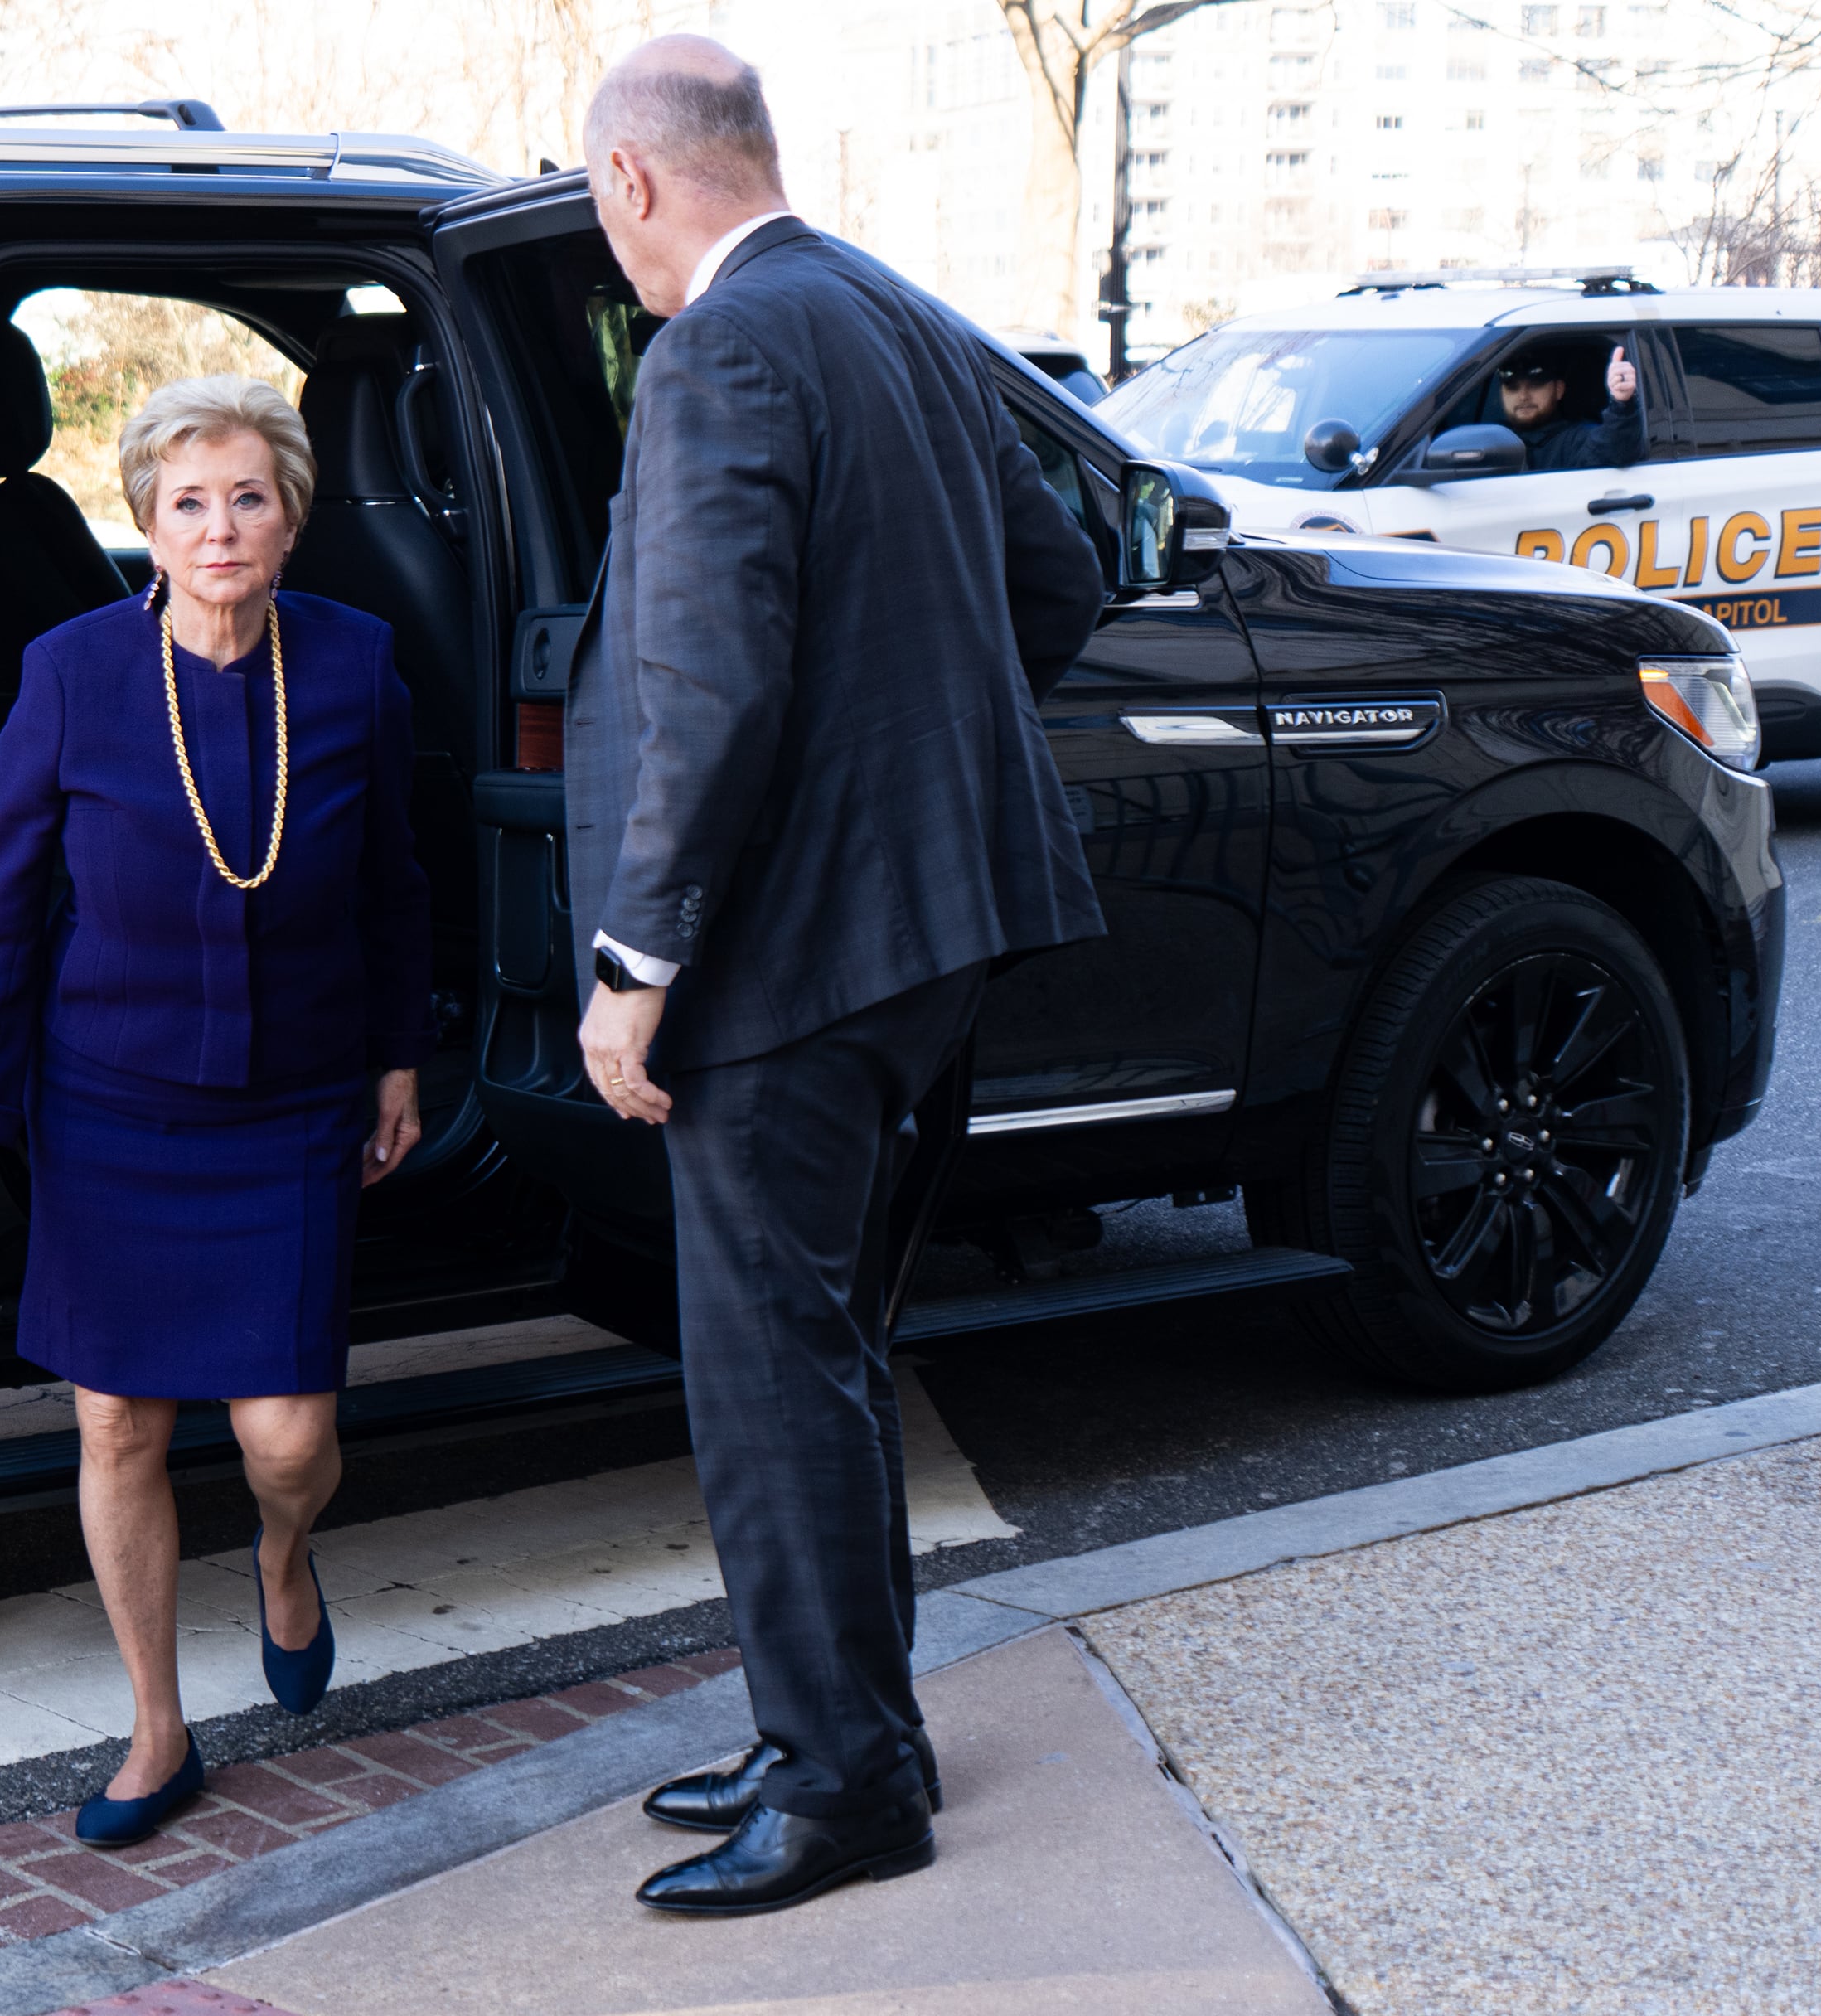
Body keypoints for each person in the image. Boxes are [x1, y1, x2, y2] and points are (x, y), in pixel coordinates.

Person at [568, 38, 1107, 1916]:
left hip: (787, 963)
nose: (603, 233)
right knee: (833, 1350)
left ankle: (847, 1779)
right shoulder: (884, 303)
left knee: (768, 1370)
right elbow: (1057, 575)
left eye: (594, 202)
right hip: (932, 938)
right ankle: (838, 1721)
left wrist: (636, 961)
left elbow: (710, 687)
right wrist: (913, 774)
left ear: (635, 180)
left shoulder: (721, 346)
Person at [0, 374, 433, 1849]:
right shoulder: (72, 674)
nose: (218, 528)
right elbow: (1, 919)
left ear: (290, 515)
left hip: (291, 1106)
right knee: (117, 1424)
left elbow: (395, 885)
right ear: (141, 517)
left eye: (248, 496)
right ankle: (155, 1725)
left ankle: (281, 1551)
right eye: (187, 500)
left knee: (283, 1437)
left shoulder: (354, 663)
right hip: (109, 1105)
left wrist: (399, 1058)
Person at [1498, 342, 1644, 470]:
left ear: (1558, 390)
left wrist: (1622, 403)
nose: (1523, 396)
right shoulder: (1493, 438)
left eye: (1535, 385)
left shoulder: (1575, 440)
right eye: (1513, 388)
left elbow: (1613, 450)